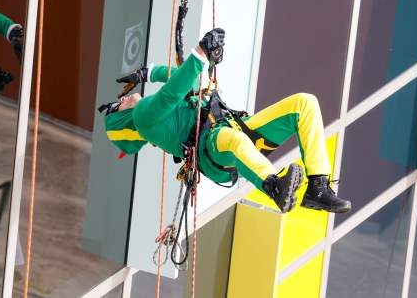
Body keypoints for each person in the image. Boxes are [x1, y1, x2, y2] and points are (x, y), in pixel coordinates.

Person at [101, 28, 351, 214]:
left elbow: (187, 79)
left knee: (304, 104)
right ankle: (273, 186)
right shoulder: (142, 116)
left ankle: (318, 187)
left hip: (234, 127)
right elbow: (173, 92)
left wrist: (149, 72)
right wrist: (201, 52)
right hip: (212, 147)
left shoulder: (151, 117)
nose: (123, 98)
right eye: (118, 104)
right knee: (233, 139)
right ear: (121, 117)